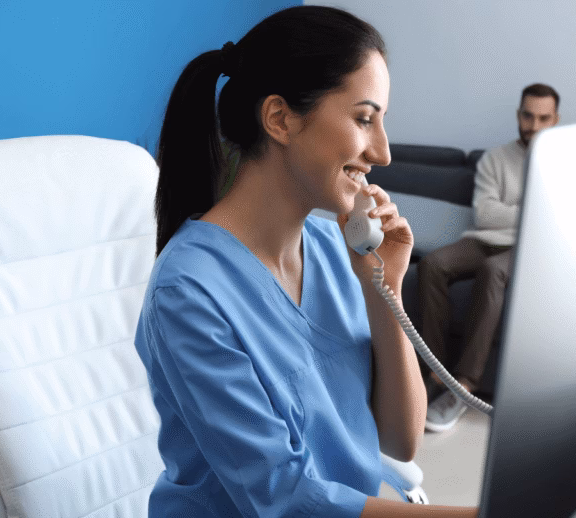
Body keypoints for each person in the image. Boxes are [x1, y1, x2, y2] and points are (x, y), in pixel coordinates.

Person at [133, 6, 478, 517]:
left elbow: (401, 441)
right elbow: (285, 499)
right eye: (364, 118)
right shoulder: (188, 293)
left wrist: (385, 286)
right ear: (280, 118)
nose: (382, 151)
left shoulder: (333, 248)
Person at [419, 83, 560, 433]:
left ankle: (464, 386)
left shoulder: (565, 160)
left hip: (528, 247)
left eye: (543, 118)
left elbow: (555, 217)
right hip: (484, 239)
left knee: (492, 271)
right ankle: (434, 372)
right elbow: (484, 215)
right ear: (518, 115)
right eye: (528, 116)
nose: (534, 125)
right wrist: (533, 208)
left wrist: (514, 211)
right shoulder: (494, 159)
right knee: (433, 264)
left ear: (555, 119)